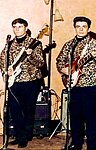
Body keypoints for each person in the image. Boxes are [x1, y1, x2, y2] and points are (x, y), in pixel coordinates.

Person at [56, 16, 96, 150]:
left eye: (84, 26)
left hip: (90, 86)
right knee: (75, 116)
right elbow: (59, 61)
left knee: (91, 116)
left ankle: (92, 143)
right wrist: (63, 69)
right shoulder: (69, 44)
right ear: (74, 27)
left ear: (88, 28)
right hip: (73, 85)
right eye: (78, 26)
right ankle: (76, 142)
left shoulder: (95, 44)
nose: (81, 29)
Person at [0, 18, 45, 148]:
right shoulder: (10, 44)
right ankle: (19, 135)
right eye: (15, 26)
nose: (17, 29)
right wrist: (6, 69)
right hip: (14, 82)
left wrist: (31, 55)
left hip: (31, 81)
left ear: (26, 28)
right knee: (14, 110)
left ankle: (25, 136)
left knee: (28, 110)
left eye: (20, 26)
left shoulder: (34, 43)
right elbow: (2, 59)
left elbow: (41, 63)